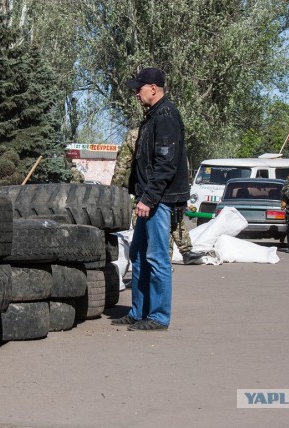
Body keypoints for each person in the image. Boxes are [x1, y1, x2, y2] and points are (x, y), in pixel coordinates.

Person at [111, 67, 189, 331]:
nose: (136, 93)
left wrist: (149, 198)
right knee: (139, 255)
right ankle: (139, 312)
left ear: (153, 88)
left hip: (159, 201)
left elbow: (166, 164)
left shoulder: (165, 116)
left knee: (156, 258)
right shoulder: (153, 116)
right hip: (149, 198)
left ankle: (158, 316)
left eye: (139, 88)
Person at [111, 128, 197, 264]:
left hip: (146, 191)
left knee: (157, 227)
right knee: (166, 224)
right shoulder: (169, 132)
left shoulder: (135, 134)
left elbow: (121, 166)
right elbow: (181, 166)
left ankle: (166, 260)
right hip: (165, 190)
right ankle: (168, 260)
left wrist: (113, 193)